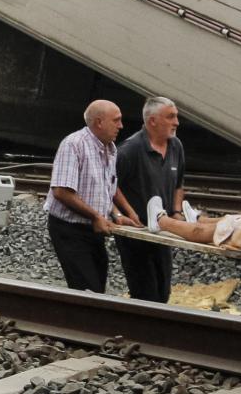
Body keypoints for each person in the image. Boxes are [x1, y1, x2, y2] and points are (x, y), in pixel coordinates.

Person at [43, 100, 139, 293]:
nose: (121, 126)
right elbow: (61, 191)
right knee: (87, 289)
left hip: (93, 229)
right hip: (70, 229)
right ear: (99, 122)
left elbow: (105, 189)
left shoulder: (109, 148)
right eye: (116, 120)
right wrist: (96, 216)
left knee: (96, 288)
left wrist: (117, 215)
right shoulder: (74, 144)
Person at [115, 97, 185, 303]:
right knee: (145, 291)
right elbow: (110, 185)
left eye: (176, 117)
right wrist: (128, 213)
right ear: (152, 121)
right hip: (138, 231)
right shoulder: (129, 150)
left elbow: (179, 183)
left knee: (163, 290)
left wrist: (177, 210)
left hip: (163, 229)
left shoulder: (176, 146)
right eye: (171, 117)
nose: (177, 122)